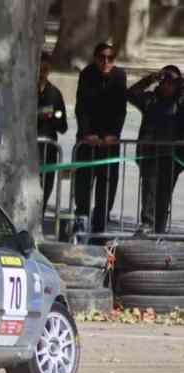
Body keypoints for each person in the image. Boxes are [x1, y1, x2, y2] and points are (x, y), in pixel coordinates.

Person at [74, 42, 128, 235]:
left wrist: (113, 134)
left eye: (110, 58)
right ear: (96, 58)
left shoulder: (120, 76)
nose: (106, 61)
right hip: (88, 140)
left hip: (109, 142)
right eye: (102, 57)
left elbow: (121, 110)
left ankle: (99, 228)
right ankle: (80, 224)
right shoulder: (87, 74)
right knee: (83, 185)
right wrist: (87, 133)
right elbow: (82, 108)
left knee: (107, 186)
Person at [127, 65, 184, 233]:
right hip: (150, 153)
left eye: (172, 82)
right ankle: (147, 224)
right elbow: (130, 94)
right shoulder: (150, 99)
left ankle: (159, 230)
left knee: (164, 195)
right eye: (164, 81)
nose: (167, 85)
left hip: (172, 156)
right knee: (149, 190)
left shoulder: (180, 102)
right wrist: (150, 78)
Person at [37, 52, 68, 216]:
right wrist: (37, 114)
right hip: (30, 150)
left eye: (45, 69)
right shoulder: (26, 91)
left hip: (48, 149)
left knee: (45, 187)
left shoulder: (55, 94)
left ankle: (40, 217)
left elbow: (63, 126)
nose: (42, 73)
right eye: (39, 69)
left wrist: (51, 117)